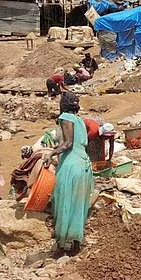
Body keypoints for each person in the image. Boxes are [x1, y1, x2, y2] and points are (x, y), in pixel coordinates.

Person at [49, 92, 94, 255]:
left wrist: (51, 154)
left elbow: (67, 143)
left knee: (63, 200)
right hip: (84, 164)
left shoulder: (66, 117)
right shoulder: (80, 120)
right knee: (78, 203)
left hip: (71, 164)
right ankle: (75, 244)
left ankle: (62, 244)